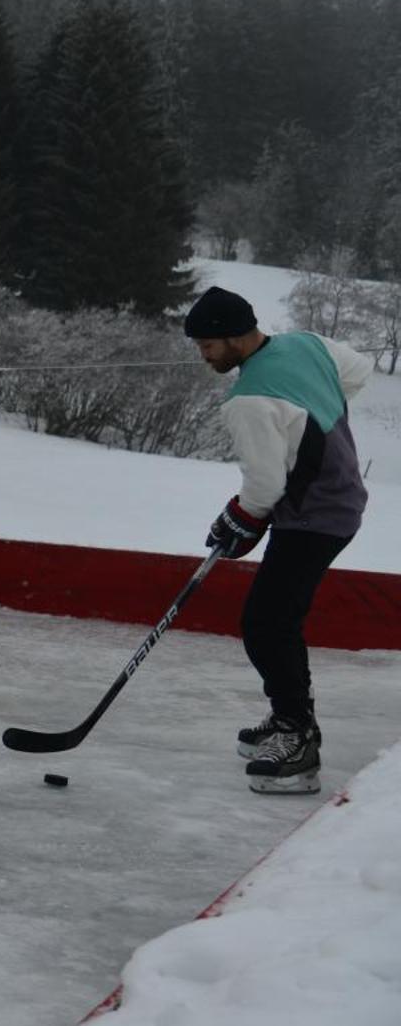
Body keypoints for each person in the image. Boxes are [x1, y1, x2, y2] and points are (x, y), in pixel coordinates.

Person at [185, 285, 372, 794]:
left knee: (267, 623)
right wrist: (307, 429)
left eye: (208, 345)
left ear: (234, 338)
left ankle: (297, 737)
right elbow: (357, 370)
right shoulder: (307, 345)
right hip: (337, 499)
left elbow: (264, 487)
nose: (203, 355)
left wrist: (239, 517)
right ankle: (288, 715)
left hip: (315, 514)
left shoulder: (248, 400)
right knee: (276, 617)